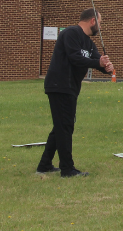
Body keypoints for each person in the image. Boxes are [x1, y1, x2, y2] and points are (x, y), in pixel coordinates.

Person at [36, 9, 114, 178]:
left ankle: (44, 165)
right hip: (59, 85)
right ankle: (67, 169)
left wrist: (106, 68)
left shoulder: (88, 42)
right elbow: (75, 58)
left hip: (71, 87)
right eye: (100, 23)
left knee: (61, 126)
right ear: (92, 21)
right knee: (65, 126)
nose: (100, 27)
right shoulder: (71, 33)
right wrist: (96, 62)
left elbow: (96, 60)